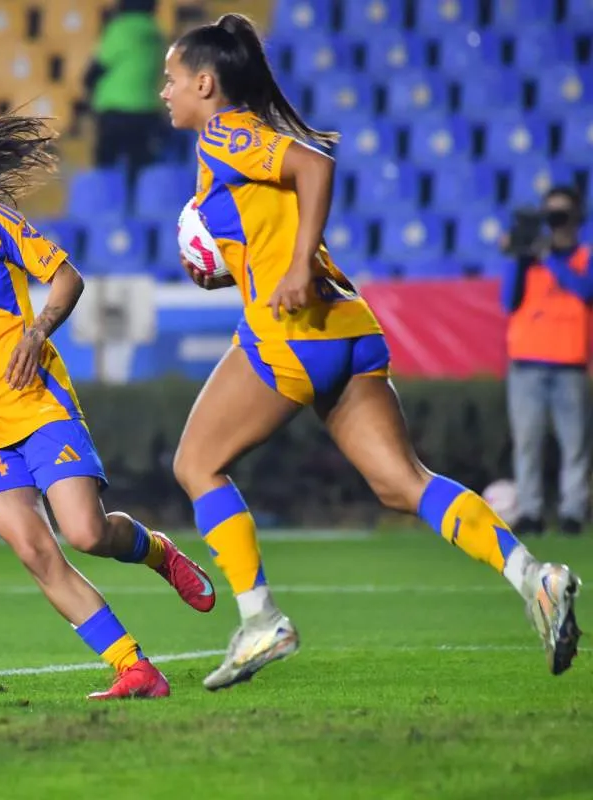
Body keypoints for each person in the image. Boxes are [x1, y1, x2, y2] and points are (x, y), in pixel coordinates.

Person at [159, 13, 582, 689]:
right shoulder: (237, 144)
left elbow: (315, 165)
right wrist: (233, 265)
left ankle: (260, 617)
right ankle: (533, 575)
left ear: (205, 83)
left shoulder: (224, 132)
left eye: (172, 78)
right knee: (403, 483)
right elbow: (273, 217)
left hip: (292, 329)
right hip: (348, 326)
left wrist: (297, 264)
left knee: (195, 463)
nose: (165, 92)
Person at [0, 118, 217, 700]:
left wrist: (36, 332)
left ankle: (158, 552)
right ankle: (133, 667)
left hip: (36, 405)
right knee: (35, 551)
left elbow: (66, 279)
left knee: (85, 532)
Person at [500, 187, 590, 536]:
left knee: (575, 445)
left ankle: (572, 513)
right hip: (526, 361)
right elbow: (508, 301)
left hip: (569, 362)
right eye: (551, 214)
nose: (556, 221)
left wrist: (548, 257)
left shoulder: (584, 256)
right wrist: (520, 258)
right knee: (527, 444)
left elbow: (584, 289)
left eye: (562, 214)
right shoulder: (528, 258)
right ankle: (530, 512)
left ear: (576, 217)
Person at [83, 0, 169, 188]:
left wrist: (88, 87)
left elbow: (98, 67)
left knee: (106, 168)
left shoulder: (120, 28)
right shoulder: (156, 33)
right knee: (139, 170)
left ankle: (106, 202)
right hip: (147, 110)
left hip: (115, 110)